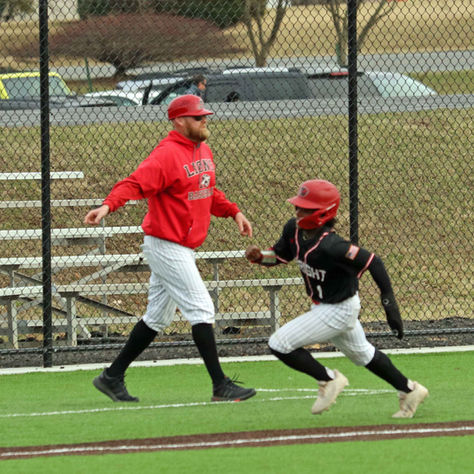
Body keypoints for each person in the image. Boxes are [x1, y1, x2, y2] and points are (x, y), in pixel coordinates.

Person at [84, 94, 256, 403]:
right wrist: (107, 206)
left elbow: (207, 189)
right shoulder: (166, 155)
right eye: (197, 117)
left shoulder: (202, 150)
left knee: (157, 318)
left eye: (205, 116)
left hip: (181, 246)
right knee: (201, 308)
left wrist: (234, 212)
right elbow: (134, 184)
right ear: (178, 121)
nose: (204, 121)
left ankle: (111, 376)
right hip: (166, 244)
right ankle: (220, 385)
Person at [245, 179, 428, 418]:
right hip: (326, 306)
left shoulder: (333, 245)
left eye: (305, 209)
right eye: (298, 206)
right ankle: (410, 390)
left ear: (323, 213)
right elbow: (279, 256)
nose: (298, 212)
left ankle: (328, 380)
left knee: (279, 344)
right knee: (363, 354)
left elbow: (374, 262)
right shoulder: (294, 229)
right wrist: (261, 257)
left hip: (339, 310)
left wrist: (389, 305)